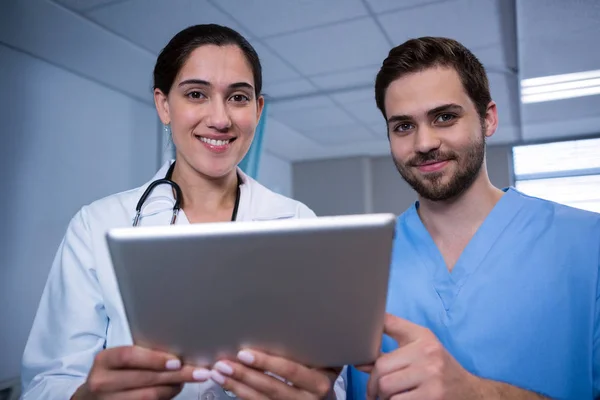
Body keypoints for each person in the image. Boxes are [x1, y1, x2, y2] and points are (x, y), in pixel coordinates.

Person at [21, 24, 344, 400]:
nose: (220, 118)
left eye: (238, 98)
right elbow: (49, 381)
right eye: (196, 94)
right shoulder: (97, 226)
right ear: (163, 105)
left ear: (257, 110)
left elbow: (327, 374)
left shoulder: (300, 222)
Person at [345, 37, 600, 399]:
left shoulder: (589, 243)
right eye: (403, 126)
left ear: (488, 118)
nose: (424, 142)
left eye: (445, 117)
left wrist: (477, 393)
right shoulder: (358, 263)